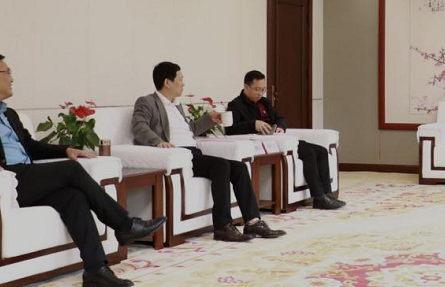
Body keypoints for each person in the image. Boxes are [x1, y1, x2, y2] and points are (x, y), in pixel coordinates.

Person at [0, 53, 165, 287]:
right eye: (7, 72)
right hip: (6, 181)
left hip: (28, 177)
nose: (12, 78)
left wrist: (66, 149)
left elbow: (31, 147)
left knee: (73, 197)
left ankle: (96, 270)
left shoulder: (9, 114)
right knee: (71, 170)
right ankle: (124, 225)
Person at [131, 62, 285, 242]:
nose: (183, 83)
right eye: (180, 79)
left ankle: (253, 221)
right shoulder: (147, 102)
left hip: (193, 153)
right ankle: (222, 226)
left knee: (239, 168)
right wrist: (158, 142)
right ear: (167, 82)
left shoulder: (176, 105)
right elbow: (139, 127)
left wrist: (210, 120)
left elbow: (189, 130)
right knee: (221, 165)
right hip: (178, 155)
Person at [226, 70, 344, 210]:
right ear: (246, 87)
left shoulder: (264, 102)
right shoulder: (235, 105)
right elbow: (231, 129)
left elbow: (280, 118)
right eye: (257, 89)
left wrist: (281, 127)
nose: (260, 93)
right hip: (265, 144)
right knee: (309, 153)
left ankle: (327, 194)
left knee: (321, 151)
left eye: (263, 89)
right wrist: (253, 124)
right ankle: (318, 197)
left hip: (280, 139)